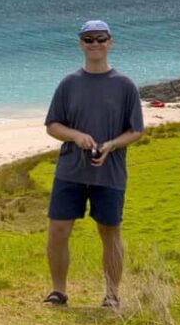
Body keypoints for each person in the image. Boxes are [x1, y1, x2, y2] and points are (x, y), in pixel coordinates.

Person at [43, 20, 143, 309]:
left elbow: (136, 130)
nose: (95, 44)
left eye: (100, 39)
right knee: (58, 230)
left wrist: (111, 145)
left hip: (109, 172)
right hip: (70, 170)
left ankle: (112, 295)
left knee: (110, 232)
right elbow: (52, 125)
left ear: (110, 42)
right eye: (89, 39)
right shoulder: (68, 84)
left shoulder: (124, 85)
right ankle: (58, 291)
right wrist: (76, 136)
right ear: (80, 44)